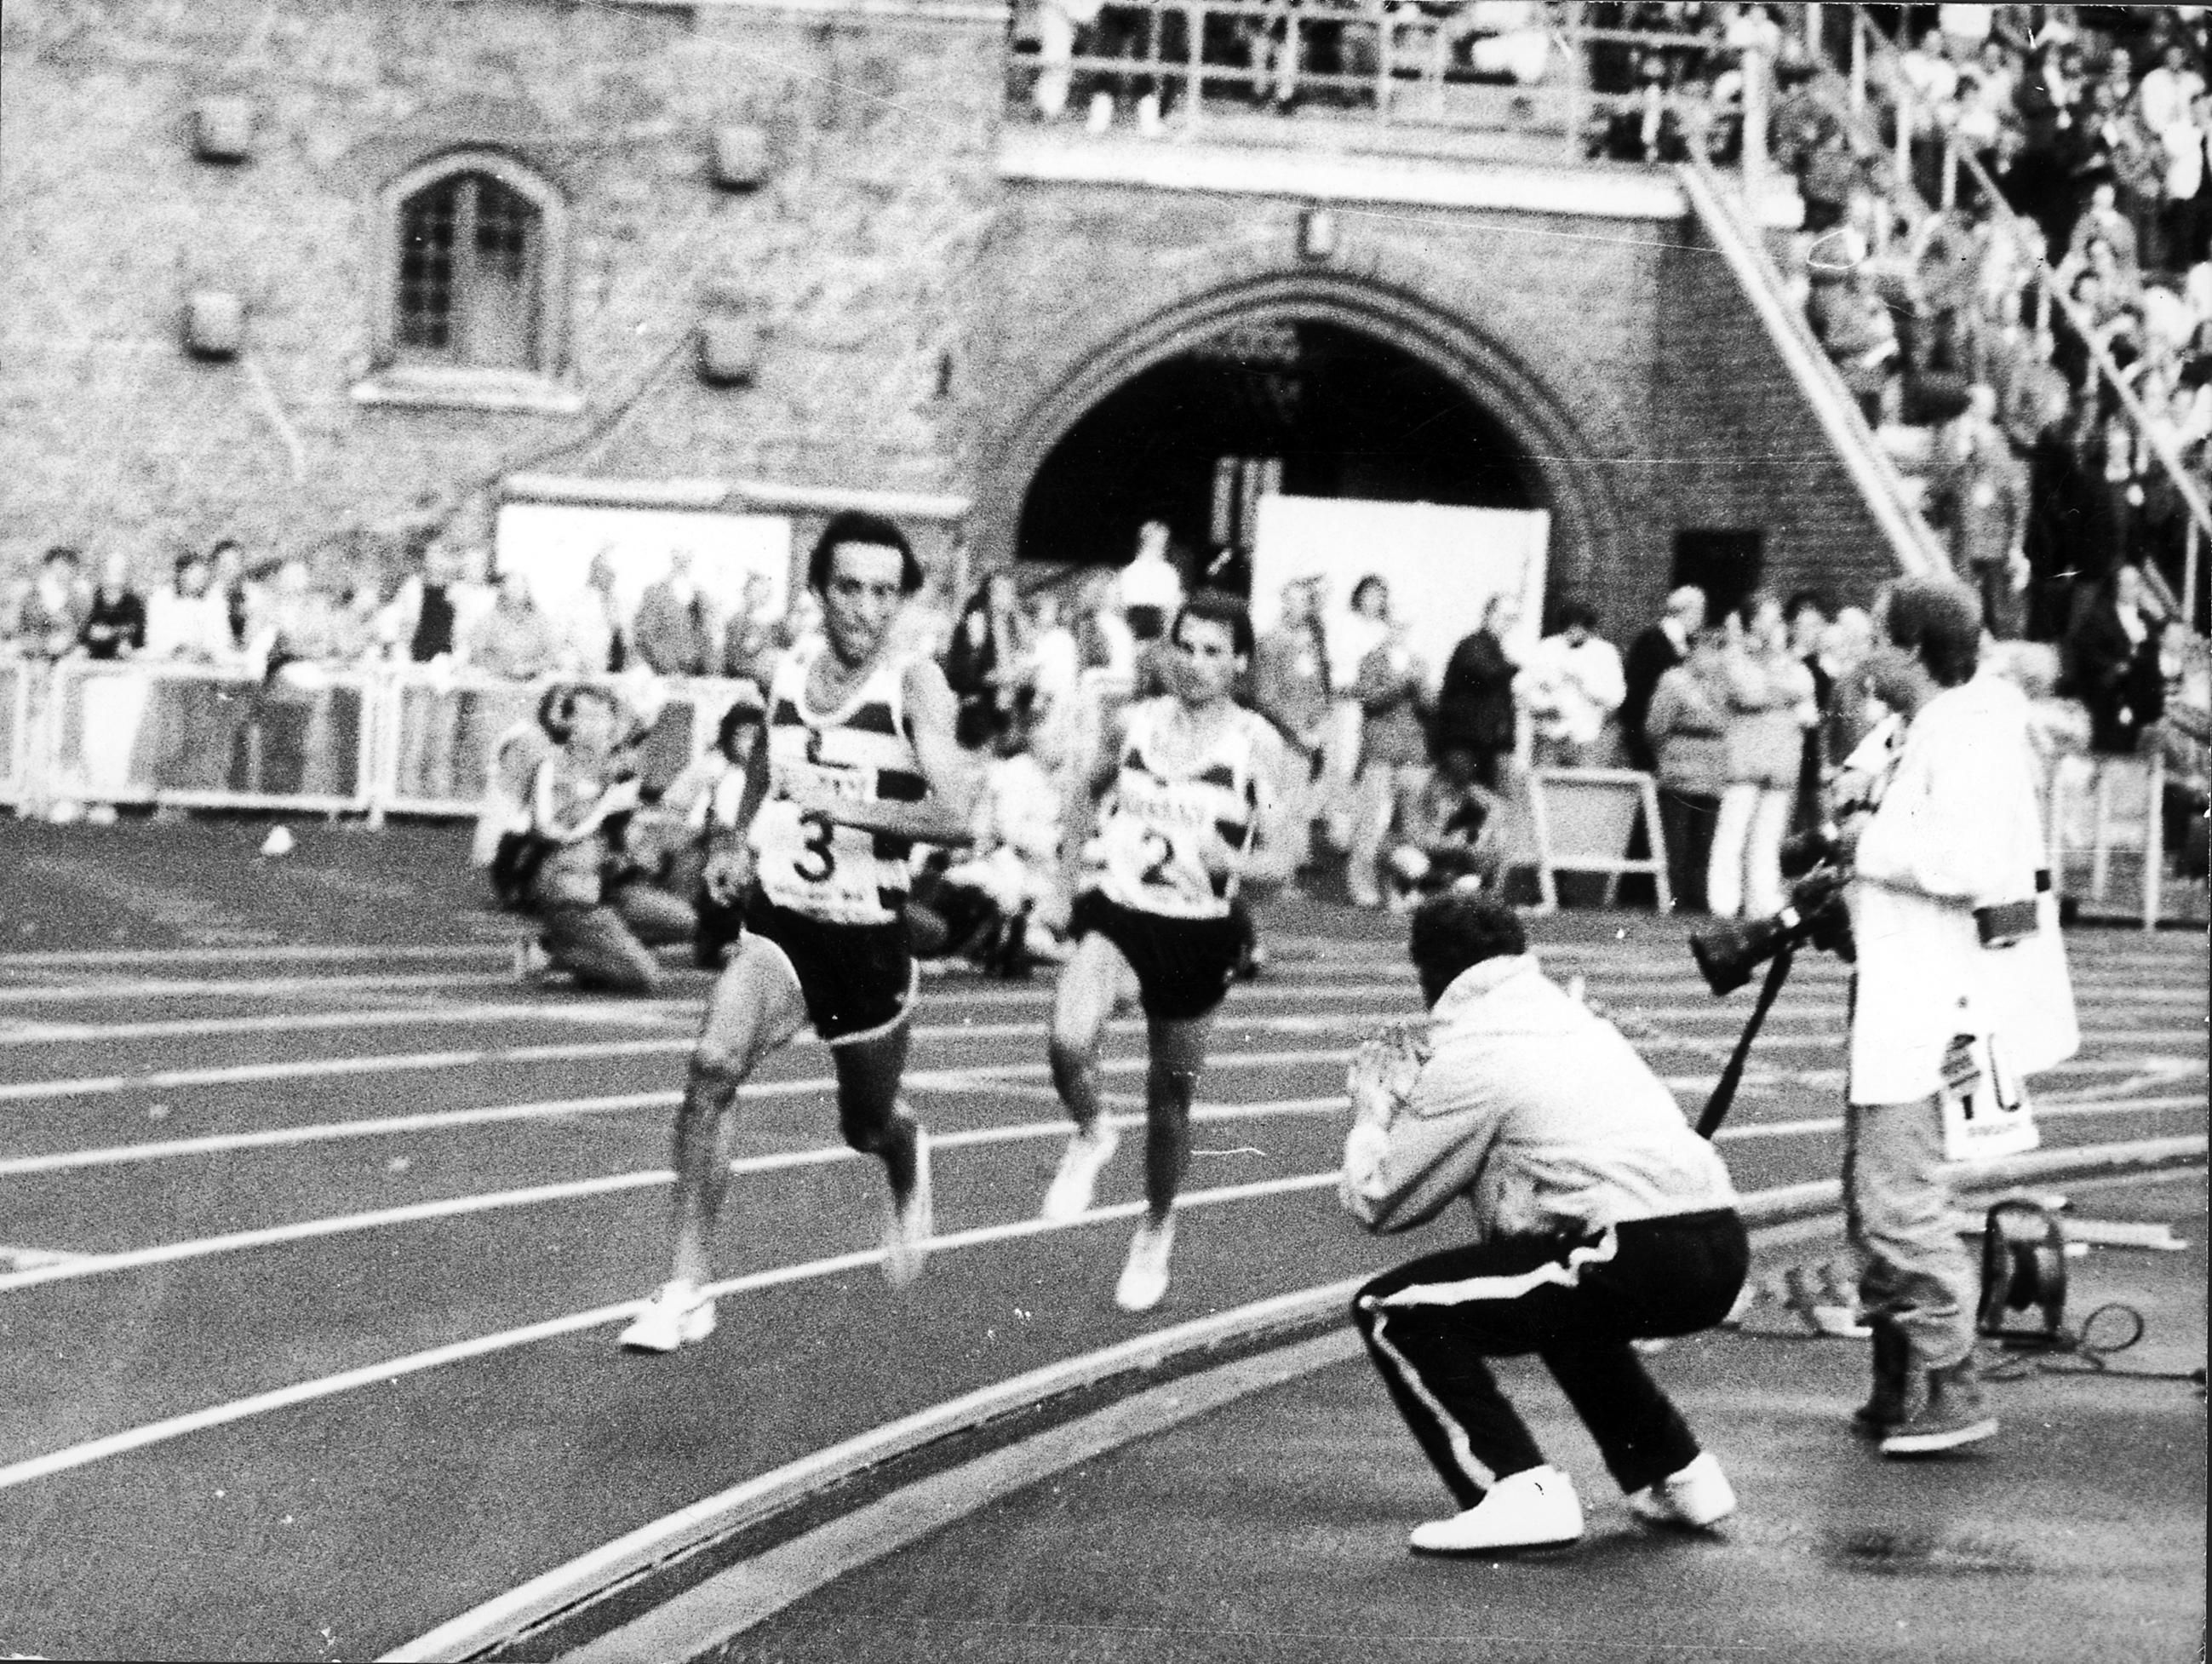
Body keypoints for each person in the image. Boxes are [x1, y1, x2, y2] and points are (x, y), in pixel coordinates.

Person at [619, 513, 979, 1351]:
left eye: (883, 592)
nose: (864, 607)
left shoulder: (915, 685)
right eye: (848, 587)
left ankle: (902, 1147)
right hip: (782, 927)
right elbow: (765, 770)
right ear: (818, 591)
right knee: (711, 1065)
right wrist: (738, 841)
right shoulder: (785, 673)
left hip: (868, 941)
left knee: (865, 1122)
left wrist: (847, 806)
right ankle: (685, 1287)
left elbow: (960, 817)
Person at [1340, 892, 1747, 1553]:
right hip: (1719, 1245)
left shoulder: (1474, 1048)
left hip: (1634, 1250)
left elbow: (1380, 1201)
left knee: (1391, 1308)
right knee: (1556, 1292)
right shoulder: (1572, 1016)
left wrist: (1373, 1113)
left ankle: (1517, 1489)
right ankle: (1677, 1472)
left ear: (1429, 971)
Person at [1834, 576, 2063, 1456]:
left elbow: (1966, 857)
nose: (1867, 656)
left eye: (1879, 639)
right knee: (1874, 1194)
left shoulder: (1969, 737)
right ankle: (1901, 1378)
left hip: (1936, 1001)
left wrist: (1866, 844)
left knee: (1900, 1198)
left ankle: (1953, 1382)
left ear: (1917, 650)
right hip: (1907, 990)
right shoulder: (1926, 728)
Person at [1038, 591, 1290, 1311]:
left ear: (1239, 663)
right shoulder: (1133, 722)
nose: (1198, 663)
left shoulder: (1255, 745)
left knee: (1169, 1097)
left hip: (1198, 930)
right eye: (1188, 646)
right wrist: (1062, 885)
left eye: (1215, 651)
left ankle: (1155, 1226)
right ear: (1168, 651)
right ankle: (1091, 1131)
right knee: (1066, 1039)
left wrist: (1229, 860)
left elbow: (1284, 858)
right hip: (1120, 912)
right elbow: (1082, 793)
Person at [513, 684, 696, 993]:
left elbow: (629, 838)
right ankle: (554, 952)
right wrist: (605, 804)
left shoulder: (614, 768)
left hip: (607, 887)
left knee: (684, 921)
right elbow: (549, 829)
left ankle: (593, 950)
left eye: (604, 718)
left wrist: (642, 845)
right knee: (643, 978)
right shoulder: (551, 766)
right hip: (568, 891)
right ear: (566, 722)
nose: (599, 726)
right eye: (588, 718)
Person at [1708, 594, 1816, 921]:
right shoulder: (1735, 657)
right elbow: (1746, 691)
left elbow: (1805, 691)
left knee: (1768, 836)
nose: (1774, 625)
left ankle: (1763, 900)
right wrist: (1780, 693)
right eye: (1767, 618)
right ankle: (1724, 901)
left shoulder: (1788, 660)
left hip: (1781, 759)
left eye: (1776, 618)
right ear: (1752, 621)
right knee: (1733, 832)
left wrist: (1774, 684)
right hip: (1746, 758)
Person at [1642, 625, 1731, 914]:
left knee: (1704, 840)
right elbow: (1656, 727)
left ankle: (1699, 897)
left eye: (1717, 650)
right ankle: (1675, 898)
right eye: (1707, 649)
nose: (1713, 657)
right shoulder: (1673, 681)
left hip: (1713, 770)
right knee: (1677, 840)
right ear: (1692, 651)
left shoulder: (1722, 684)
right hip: (1680, 768)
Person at [1251, 575, 1332, 888]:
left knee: (1298, 808)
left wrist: (1320, 728)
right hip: (1281, 739)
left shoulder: (1311, 644)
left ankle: (1291, 874)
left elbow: (1318, 692)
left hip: (1308, 740)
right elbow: (1265, 697)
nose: (1299, 607)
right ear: (1284, 602)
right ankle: (1272, 874)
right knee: (1274, 808)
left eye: (1304, 601)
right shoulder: (1271, 642)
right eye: (1293, 600)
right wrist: (1299, 733)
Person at [1346, 613, 1430, 909]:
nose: (1401, 631)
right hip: (1380, 751)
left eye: (1406, 626)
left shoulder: (1418, 662)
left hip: (1412, 752)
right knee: (1372, 823)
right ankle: (1364, 887)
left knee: (1410, 824)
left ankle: (1403, 888)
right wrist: (1400, 684)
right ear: (1388, 626)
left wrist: (1421, 689)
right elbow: (1368, 698)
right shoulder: (1372, 660)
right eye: (1396, 624)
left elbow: (1428, 705)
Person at [2066, 560, 2168, 754]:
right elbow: (2085, 650)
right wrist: (2114, 667)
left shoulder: (2146, 619)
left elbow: (2153, 657)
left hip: (2143, 694)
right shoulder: (2100, 617)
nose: (2133, 589)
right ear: (2116, 587)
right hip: (2111, 692)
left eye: (2137, 583)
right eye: (2127, 584)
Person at [1518, 600, 1626, 769]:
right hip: (1550, 735)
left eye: (1580, 627)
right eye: (1570, 627)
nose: (1574, 632)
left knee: (1581, 786)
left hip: (1587, 737)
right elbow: (1523, 686)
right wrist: (1542, 706)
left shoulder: (1605, 653)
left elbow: (1616, 697)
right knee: (1544, 784)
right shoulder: (1547, 648)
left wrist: (1584, 683)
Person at [1434, 594, 1521, 792]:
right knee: (1467, 797)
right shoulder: (1474, 645)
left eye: (1513, 619)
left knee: (1475, 808)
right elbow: (1487, 672)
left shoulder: (1495, 648)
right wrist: (1521, 667)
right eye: (1504, 617)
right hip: (1465, 742)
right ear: (1488, 615)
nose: (1508, 624)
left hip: (1485, 742)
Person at [1621, 585, 1705, 772]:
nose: (1701, 618)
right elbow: (1637, 688)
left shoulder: (1689, 643)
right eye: (1700, 611)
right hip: (1648, 728)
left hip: (1671, 730)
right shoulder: (1651, 640)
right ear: (1687, 610)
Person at [633, 548, 718, 679]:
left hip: (697, 674)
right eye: (679, 556)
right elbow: (645, 635)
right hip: (665, 673)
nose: (683, 562)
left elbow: (706, 637)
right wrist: (668, 668)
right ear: (672, 558)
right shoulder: (656, 593)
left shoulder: (700, 595)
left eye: (688, 557)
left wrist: (709, 672)